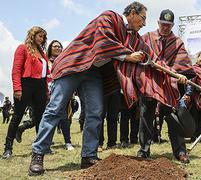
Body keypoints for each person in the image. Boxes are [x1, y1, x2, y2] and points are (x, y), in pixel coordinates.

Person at [28, 2, 188, 176]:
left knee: (96, 112)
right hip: (74, 64)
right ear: (132, 13)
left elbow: (152, 57)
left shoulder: (134, 38)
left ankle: (88, 155)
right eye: (143, 18)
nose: (143, 24)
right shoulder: (109, 17)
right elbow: (102, 42)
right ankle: (38, 154)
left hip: (93, 74)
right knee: (55, 109)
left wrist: (175, 74)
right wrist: (127, 55)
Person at [138, 9, 195, 163]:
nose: (165, 28)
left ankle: (180, 152)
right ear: (158, 23)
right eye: (163, 24)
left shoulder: (177, 42)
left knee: (174, 118)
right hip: (149, 83)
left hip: (169, 85)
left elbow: (183, 64)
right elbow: (138, 56)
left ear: (173, 25)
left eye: (169, 25)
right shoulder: (146, 38)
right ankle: (144, 150)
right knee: (146, 116)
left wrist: (181, 75)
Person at [2, 26, 49, 159]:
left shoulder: (42, 53)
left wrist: (46, 91)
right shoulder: (22, 48)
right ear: (32, 35)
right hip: (26, 84)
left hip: (40, 86)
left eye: (44, 37)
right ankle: (8, 148)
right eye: (40, 36)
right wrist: (17, 88)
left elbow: (45, 75)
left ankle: (40, 147)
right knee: (17, 116)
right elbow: (16, 70)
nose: (42, 39)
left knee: (40, 118)